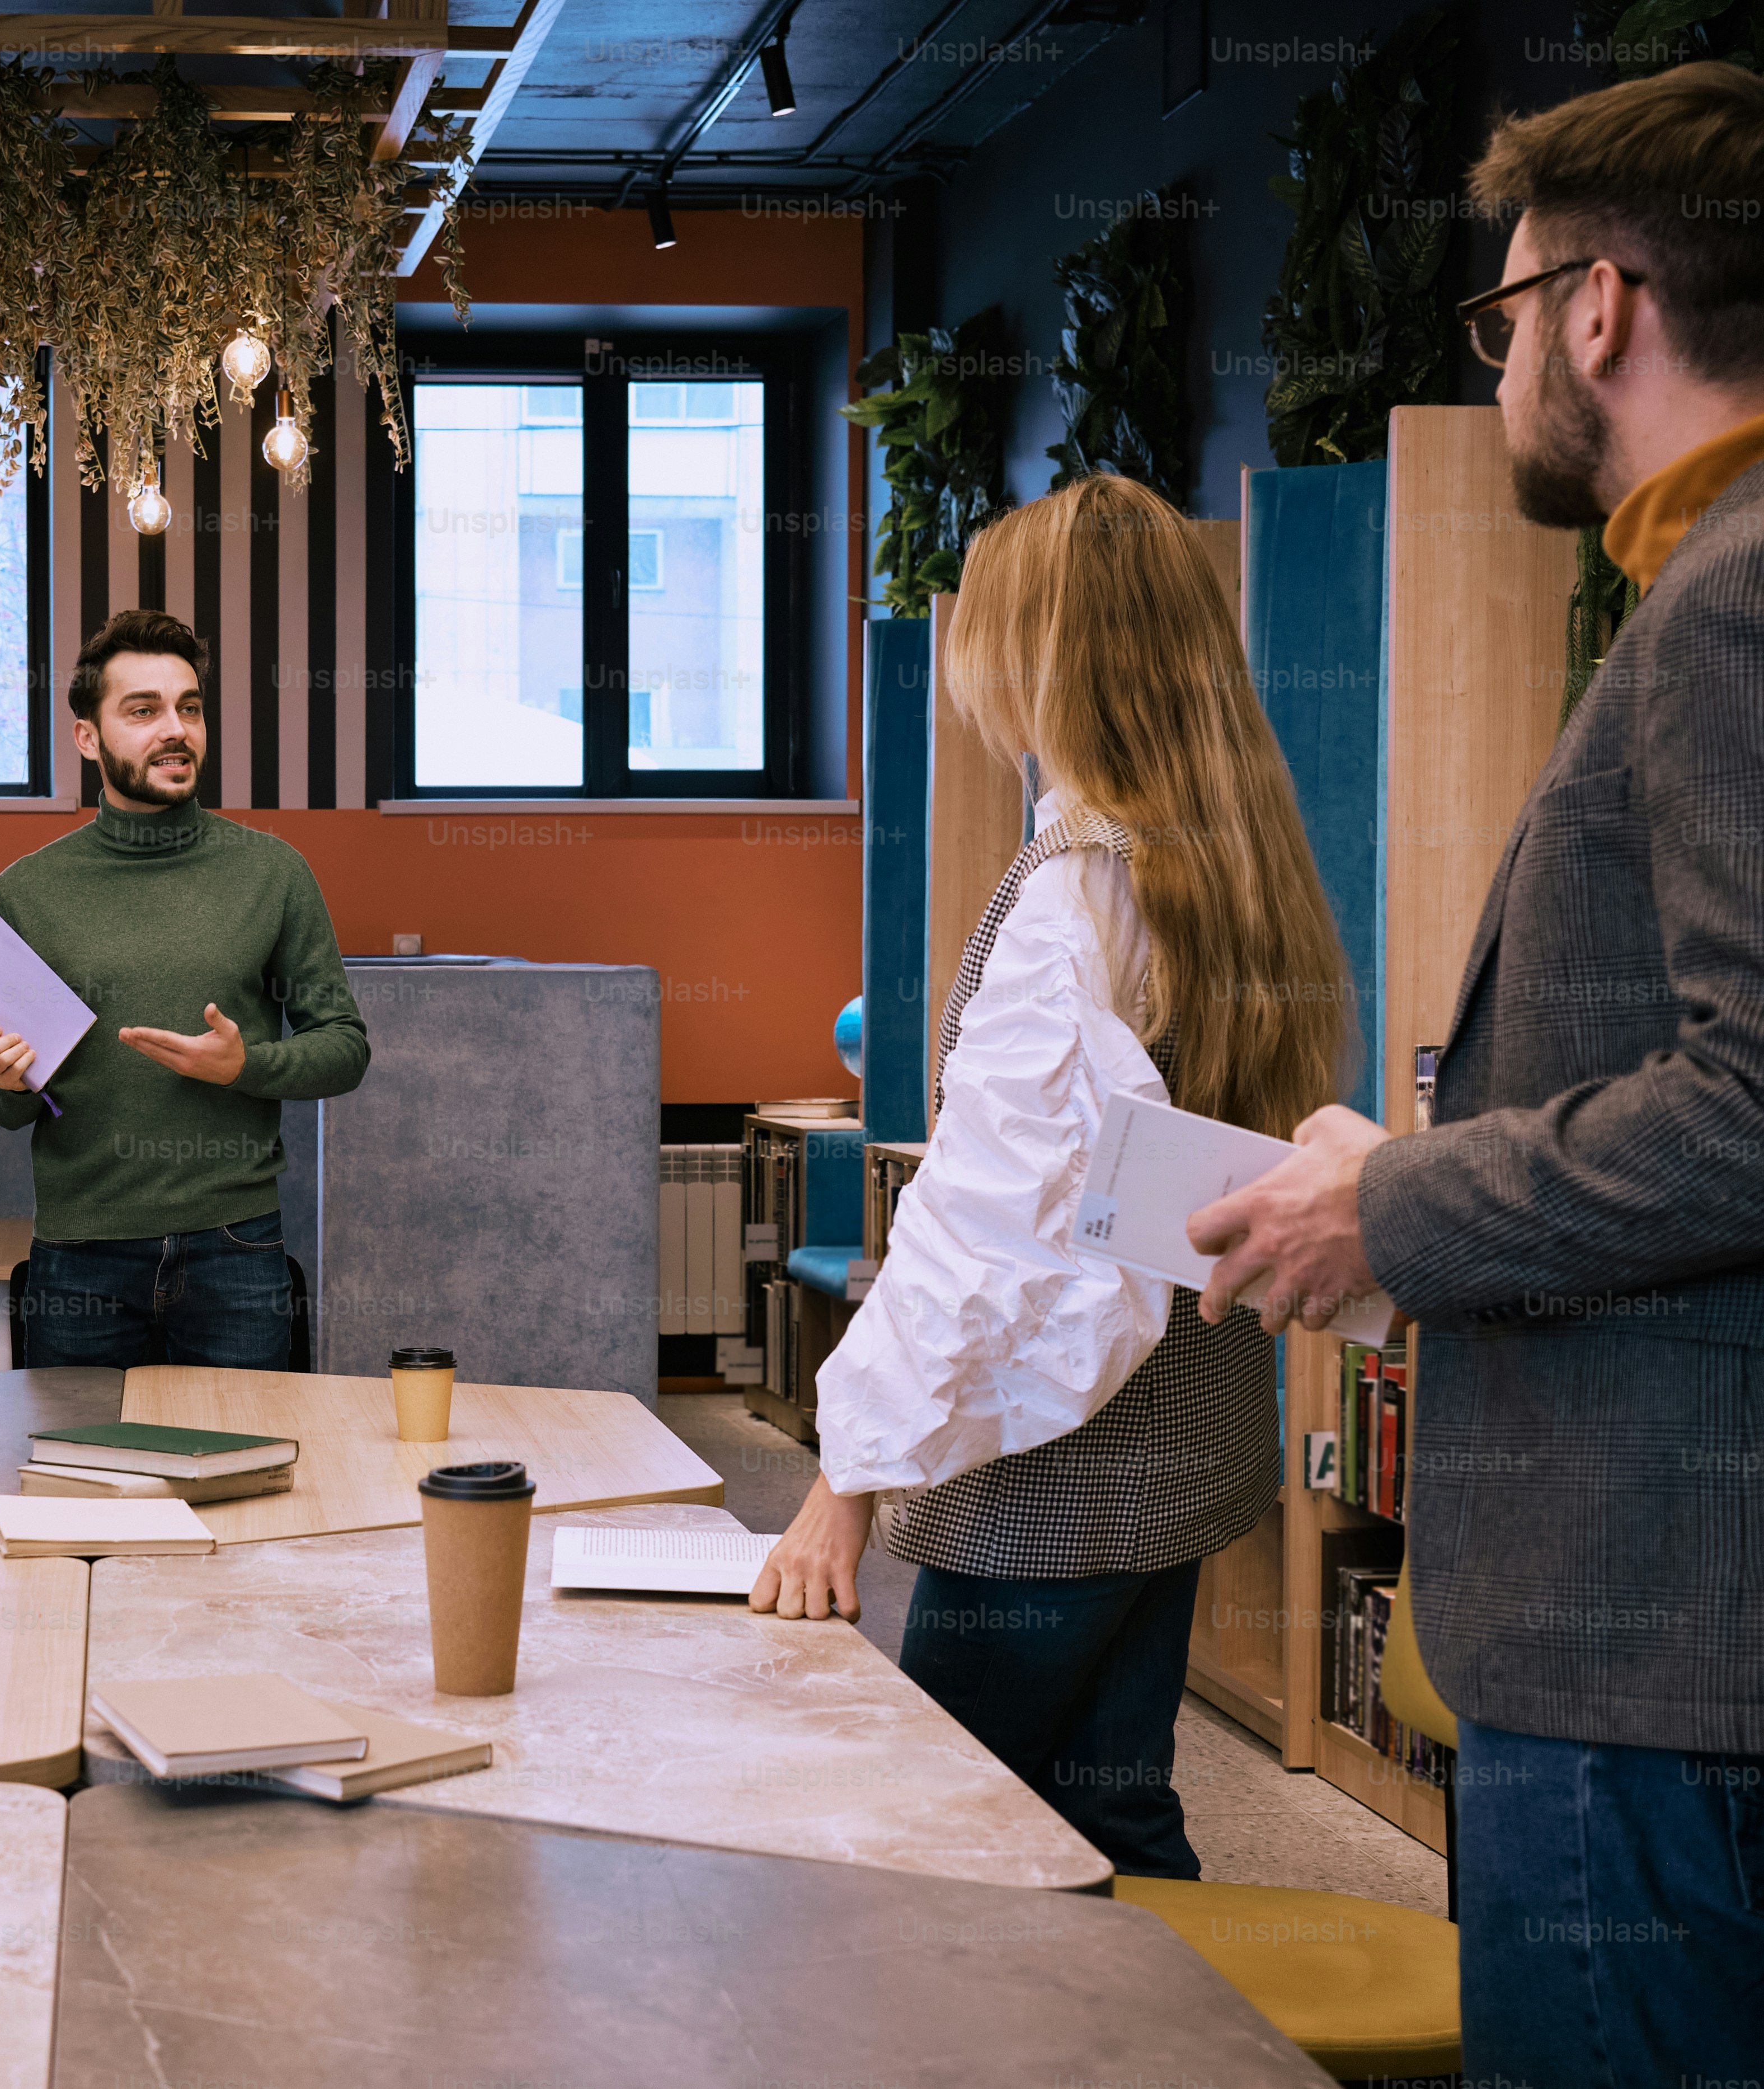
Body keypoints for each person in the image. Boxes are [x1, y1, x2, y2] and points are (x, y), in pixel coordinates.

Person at [1192, 62, 1764, 2076]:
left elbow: (1757, 1102)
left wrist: (1399, 1201)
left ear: (1599, 308)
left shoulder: (1729, 602)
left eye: (1500, 317)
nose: (1508, 361)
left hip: (1654, 1647)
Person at [749, 475, 1349, 1878]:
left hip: (1053, 1474)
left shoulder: (1075, 885)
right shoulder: (1226, 857)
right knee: (1111, 1812)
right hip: (1185, 1440)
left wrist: (848, 1471)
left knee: (947, 1846)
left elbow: (988, 1236)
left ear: (1046, 657)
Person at [0, 608, 367, 1369]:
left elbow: (345, 1048)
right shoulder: (28, 890)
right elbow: (6, 1106)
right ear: (88, 737)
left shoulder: (273, 874)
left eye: (189, 706)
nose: (175, 728)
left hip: (236, 1249)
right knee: (84, 1481)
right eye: (143, 710)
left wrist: (245, 1066)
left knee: (245, 1479)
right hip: (80, 1256)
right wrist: (5, 1076)